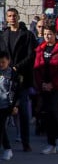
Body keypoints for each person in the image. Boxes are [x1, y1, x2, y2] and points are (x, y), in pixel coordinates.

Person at [0, 8, 36, 152]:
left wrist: (16, 67)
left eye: (14, 16)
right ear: (7, 19)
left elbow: (31, 55)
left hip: (22, 78)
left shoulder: (27, 35)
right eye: (9, 16)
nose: (12, 18)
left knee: (23, 112)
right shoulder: (3, 35)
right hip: (5, 79)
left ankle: (25, 142)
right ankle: (6, 144)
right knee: (3, 112)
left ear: (18, 17)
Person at [34, 25, 58, 155]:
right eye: (45, 34)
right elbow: (37, 68)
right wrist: (42, 84)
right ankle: (51, 143)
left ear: (55, 34)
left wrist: (52, 84)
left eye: (50, 34)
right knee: (47, 113)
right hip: (44, 85)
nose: (47, 36)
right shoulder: (40, 49)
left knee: (53, 109)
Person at [0, 51, 20, 161]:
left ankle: (7, 150)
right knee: (1, 128)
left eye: (3, 62)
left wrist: (15, 105)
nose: (1, 64)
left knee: (1, 127)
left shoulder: (12, 74)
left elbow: (17, 91)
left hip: (6, 105)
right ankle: (8, 149)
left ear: (8, 61)